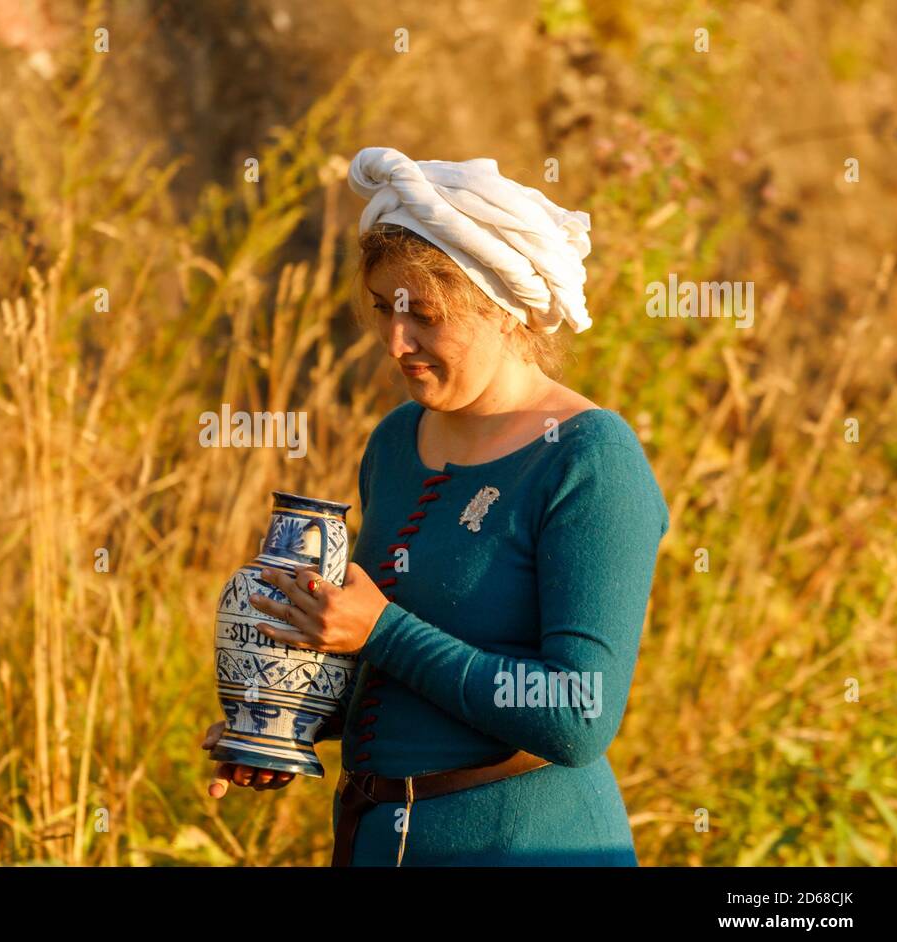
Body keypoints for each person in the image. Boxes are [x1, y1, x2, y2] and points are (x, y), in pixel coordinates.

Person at [202, 146, 669, 866]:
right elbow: (399, 671)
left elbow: (577, 716)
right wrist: (286, 723)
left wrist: (381, 630)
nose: (396, 342)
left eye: (424, 314)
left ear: (508, 311)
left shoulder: (589, 459)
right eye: (384, 311)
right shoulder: (396, 442)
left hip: (527, 846)